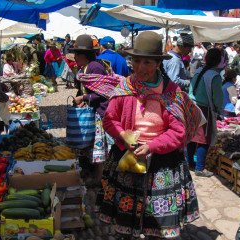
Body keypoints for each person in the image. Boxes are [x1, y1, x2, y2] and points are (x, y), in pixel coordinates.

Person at [96, 31, 201, 239]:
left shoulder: (171, 93)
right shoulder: (125, 88)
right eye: (136, 61)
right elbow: (109, 120)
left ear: (158, 64)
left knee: (158, 223)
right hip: (128, 156)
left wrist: (152, 146)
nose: (140, 68)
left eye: (147, 62)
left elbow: (178, 132)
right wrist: (125, 138)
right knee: (125, 217)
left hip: (162, 163)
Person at [71, 34, 113, 186]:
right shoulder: (87, 67)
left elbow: (103, 93)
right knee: (93, 147)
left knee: (99, 147)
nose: (75, 57)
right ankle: (95, 174)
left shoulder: (95, 67)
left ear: (85, 55)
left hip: (101, 113)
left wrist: (83, 98)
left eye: (77, 54)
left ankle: (99, 178)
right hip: (94, 111)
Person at [187, 48, 224, 177]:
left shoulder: (198, 71)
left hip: (192, 106)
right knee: (204, 139)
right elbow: (218, 98)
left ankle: (189, 162)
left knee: (191, 136)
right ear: (219, 61)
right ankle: (200, 168)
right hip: (204, 109)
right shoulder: (215, 76)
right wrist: (218, 109)